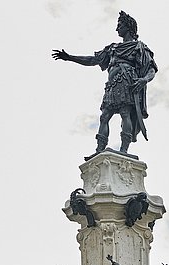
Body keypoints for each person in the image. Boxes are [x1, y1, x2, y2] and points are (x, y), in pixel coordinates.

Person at [52, 11, 157, 157]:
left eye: (120, 25)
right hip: (112, 84)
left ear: (129, 27)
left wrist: (144, 79)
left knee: (125, 113)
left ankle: (123, 151)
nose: (117, 29)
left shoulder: (139, 47)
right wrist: (69, 57)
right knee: (104, 116)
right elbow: (92, 60)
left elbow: (151, 69)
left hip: (127, 82)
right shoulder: (112, 48)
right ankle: (99, 150)